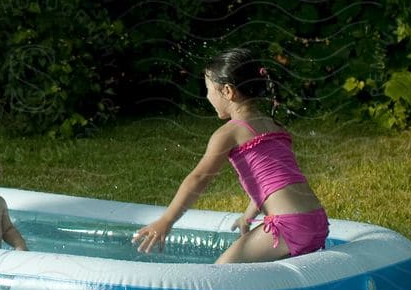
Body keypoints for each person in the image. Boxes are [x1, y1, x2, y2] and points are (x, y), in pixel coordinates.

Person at [132, 48, 330, 263]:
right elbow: (272, 179)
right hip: (317, 220)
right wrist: (248, 216)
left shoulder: (230, 132)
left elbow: (199, 178)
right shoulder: (274, 126)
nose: (207, 96)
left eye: (208, 90)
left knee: (221, 273)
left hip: (289, 225)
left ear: (227, 91)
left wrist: (166, 221)